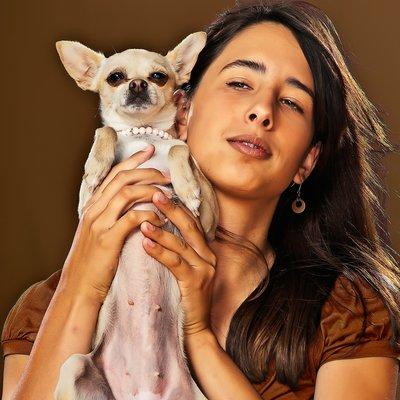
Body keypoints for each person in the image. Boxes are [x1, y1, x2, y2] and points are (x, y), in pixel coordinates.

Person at [2, 1, 400, 399]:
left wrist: (199, 337)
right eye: (240, 83)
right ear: (182, 111)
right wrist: (81, 285)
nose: (262, 111)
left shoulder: (347, 313)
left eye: (292, 103)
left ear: (307, 161)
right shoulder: (48, 305)